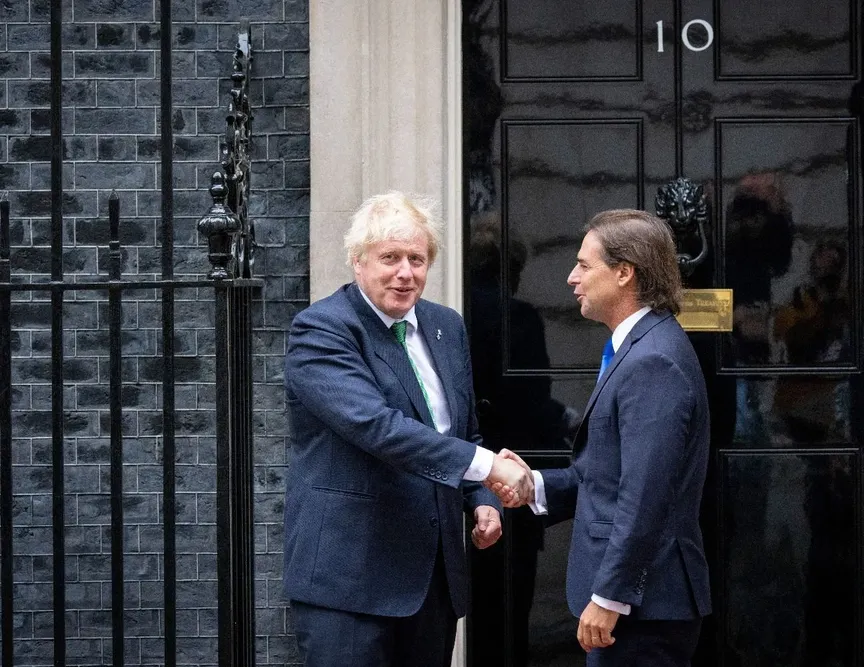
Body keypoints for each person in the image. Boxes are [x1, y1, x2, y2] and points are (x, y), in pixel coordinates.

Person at [283, 192, 532, 667]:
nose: (405, 272)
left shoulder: (445, 326)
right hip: (349, 583)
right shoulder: (322, 330)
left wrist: (482, 499)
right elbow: (378, 428)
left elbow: (461, 430)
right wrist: (488, 467)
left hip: (431, 580)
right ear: (358, 262)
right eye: (390, 258)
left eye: (417, 259)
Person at [494, 208, 712, 666]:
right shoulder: (637, 347)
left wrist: (611, 596)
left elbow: (645, 493)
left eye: (584, 265)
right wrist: (534, 485)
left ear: (623, 274)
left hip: (642, 609)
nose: (572, 278)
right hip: (640, 606)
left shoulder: (654, 360)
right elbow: (606, 474)